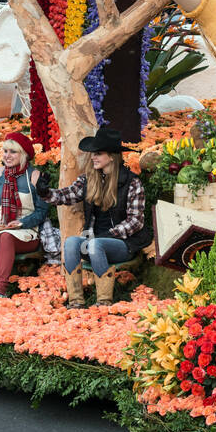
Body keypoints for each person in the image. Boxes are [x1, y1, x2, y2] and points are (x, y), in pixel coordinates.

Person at [38, 126, 151, 308]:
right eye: (93, 153)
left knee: (95, 244)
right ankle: (76, 302)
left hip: (123, 243)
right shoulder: (89, 179)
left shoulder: (131, 182)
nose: (93, 157)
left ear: (112, 156)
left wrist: (108, 235)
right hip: (93, 241)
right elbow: (66, 195)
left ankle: (104, 301)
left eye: (98, 153)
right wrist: (45, 192)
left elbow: (135, 221)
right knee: (71, 243)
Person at [0, 133, 57, 298]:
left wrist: (21, 223)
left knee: (4, 236)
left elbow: (42, 212)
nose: (7, 155)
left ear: (23, 154)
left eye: (13, 151)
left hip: (28, 230)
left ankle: (0, 291)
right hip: (2, 224)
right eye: (5, 151)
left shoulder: (34, 176)